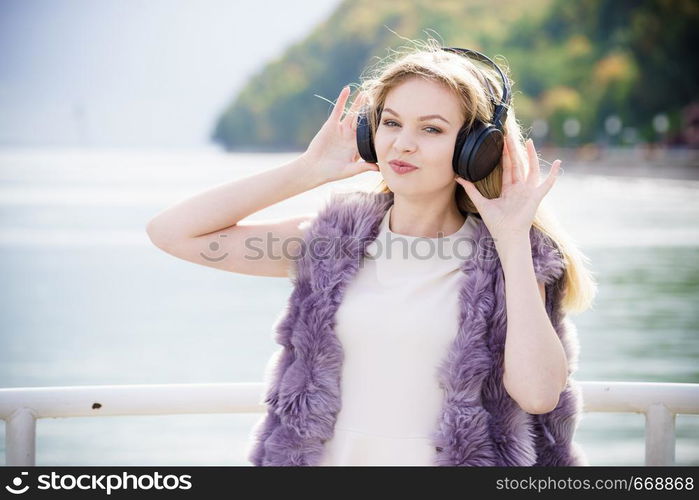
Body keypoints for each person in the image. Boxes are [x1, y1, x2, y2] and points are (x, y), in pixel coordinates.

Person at [146, 38, 597, 466]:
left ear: (474, 151)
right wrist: (309, 170)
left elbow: (538, 395)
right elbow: (173, 233)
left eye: (432, 129)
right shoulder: (331, 242)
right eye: (392, 122)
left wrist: (513, 237)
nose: (403, 143)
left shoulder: (510, 259)